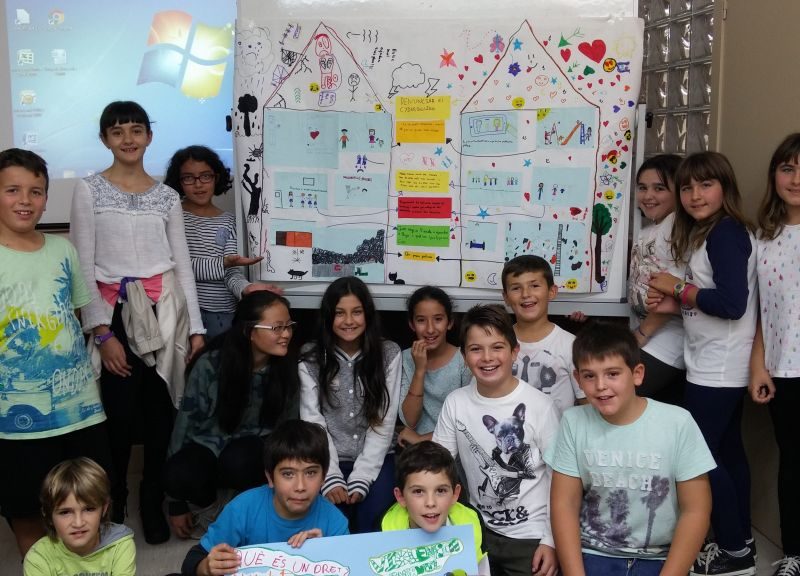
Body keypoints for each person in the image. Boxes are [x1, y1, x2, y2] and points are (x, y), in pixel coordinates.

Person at [70, 101, 205, 544]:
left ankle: (152, 500)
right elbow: (82, 267)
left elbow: (182, 265)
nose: (127, 138)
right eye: (117, 131)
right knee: (118, 419)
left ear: (149, 136)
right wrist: (101, 332)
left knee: (161, 415)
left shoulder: (167, 196)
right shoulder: (89, 190)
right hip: (115, 315)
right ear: (105, 139)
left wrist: (195, 328)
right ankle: (114, 502)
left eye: (135, 129)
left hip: (164, 312)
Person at [648, 151, 758, 576]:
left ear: (725, 188)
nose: (695, 195)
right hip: (715, 362)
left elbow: (731, 304)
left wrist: (677, 287)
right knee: (727, 453)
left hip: (719, 367)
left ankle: (734, 552)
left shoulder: (725, 233)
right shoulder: (710, 232)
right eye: (687, 187)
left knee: (699, 459)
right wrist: (678, 301)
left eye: (706, 185)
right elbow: (713, 299)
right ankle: (741, 540)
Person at [0, 148, 110, 557]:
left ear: (47, 198)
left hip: (78, 409)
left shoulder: (63, 251)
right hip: (17, 421)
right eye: (12, 190)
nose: (25, 200)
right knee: (28, 512)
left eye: (36, 191)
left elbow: (78, 312)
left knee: (89, 504)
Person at [545, 321, 715, 576]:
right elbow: (564, 505)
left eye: (612, 374)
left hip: (661, 557)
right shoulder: (573, 422)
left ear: (637, 374)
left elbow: (696, 510)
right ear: (577, 379)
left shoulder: (678, 423)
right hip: (593, 552)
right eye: (589, 376)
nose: (600, 385)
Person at [433, 304, 561, 576]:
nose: (487, 357)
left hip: (531, 537)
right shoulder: (456, 403)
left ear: (514, 352)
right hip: (477, 532)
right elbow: (435, 468)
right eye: (475, 349)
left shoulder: (541, 406)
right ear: (464, 356)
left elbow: (560, 480)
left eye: (497, 347)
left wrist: (551, 541)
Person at [164, 291, 300, 539]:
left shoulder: (287, 367)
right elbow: (184, 425)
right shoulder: (211, 364)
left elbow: (289, 430)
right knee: (181, 469)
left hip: (251, 453)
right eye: (277, 328)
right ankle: (211, 509)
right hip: (208, 446)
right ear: (249, 332)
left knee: (240, 458)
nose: (286, 334)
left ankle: (244, 511)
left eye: (288, 325)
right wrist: (175, 502)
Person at [180, 420, 349, 576]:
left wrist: (323, 554)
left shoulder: (335, 523)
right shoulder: (242, 509)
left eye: (311, 473)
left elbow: (351, 566)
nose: (300, 486)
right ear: (270, 478)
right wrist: (206, 567)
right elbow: (192, 561)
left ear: (323, 477)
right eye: (288, 474)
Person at [299, 276, 401, 533]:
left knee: (374, 518)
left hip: (378, 457)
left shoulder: (389, 353)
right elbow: (313, 421)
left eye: (357, 312)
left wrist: (363, 475)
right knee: (334, 522)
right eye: (339, 313)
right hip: (326, 457)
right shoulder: (311, 356)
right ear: (328, 316)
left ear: (367, 314)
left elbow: (384, 420)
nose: (348, 321)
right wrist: (330, 475)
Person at [163, 145, 279, 340]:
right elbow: (177, 268)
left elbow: (231, 272)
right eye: (188, 178)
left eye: (205, 176)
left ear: (216, 177)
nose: (198, 184)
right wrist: (223, 263)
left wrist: (246, 288)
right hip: (184, 312)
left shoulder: (229, 221)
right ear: (179, 181)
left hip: (224, 315)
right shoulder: (173, 217)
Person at [749, 133, 800, 576]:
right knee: (793, 464)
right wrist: (758, 366)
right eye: (788, 168)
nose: (796, 179)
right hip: (785, 368)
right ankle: (795, 554)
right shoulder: (763, 237)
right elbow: (762, 310)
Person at [381, 440, 490, 575]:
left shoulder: (472, 525)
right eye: (418, 491)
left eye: (440, 490)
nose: (431, 503)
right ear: (401, 497)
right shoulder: (383, 533)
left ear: (455, 494)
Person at [628, 154, 686, 404]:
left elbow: (671, 295)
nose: (648, 195)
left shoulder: (677, 227)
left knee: (621, 393)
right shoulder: (649, 228)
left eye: (659, 188)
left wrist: (640, 335)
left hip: (667, 338)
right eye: (642, 187)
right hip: (649, 335)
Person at [24, 457, 135, 575]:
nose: (78, 523)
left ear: (104, 509)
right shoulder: (38, 558)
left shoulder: (120, 545)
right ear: (48, 514)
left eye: (89, 509)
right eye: (65, 512)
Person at [502, 255, 585, 414]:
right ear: (505, 297)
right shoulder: (497, 343)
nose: (526, 294)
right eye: (516, 288)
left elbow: (586, 405)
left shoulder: (571, 345)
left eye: (534, 285)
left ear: (552, 292)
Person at [397, 286, 472, 448]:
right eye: (421, 320)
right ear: (412, 324)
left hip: (454, 448)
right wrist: (419, 370)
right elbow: (410, 420)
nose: (430, 329)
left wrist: (421, 439)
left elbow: (468, 420)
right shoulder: (404, 359)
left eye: (438, 319)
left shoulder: (464, 360)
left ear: (449, 322)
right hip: (417, 452)